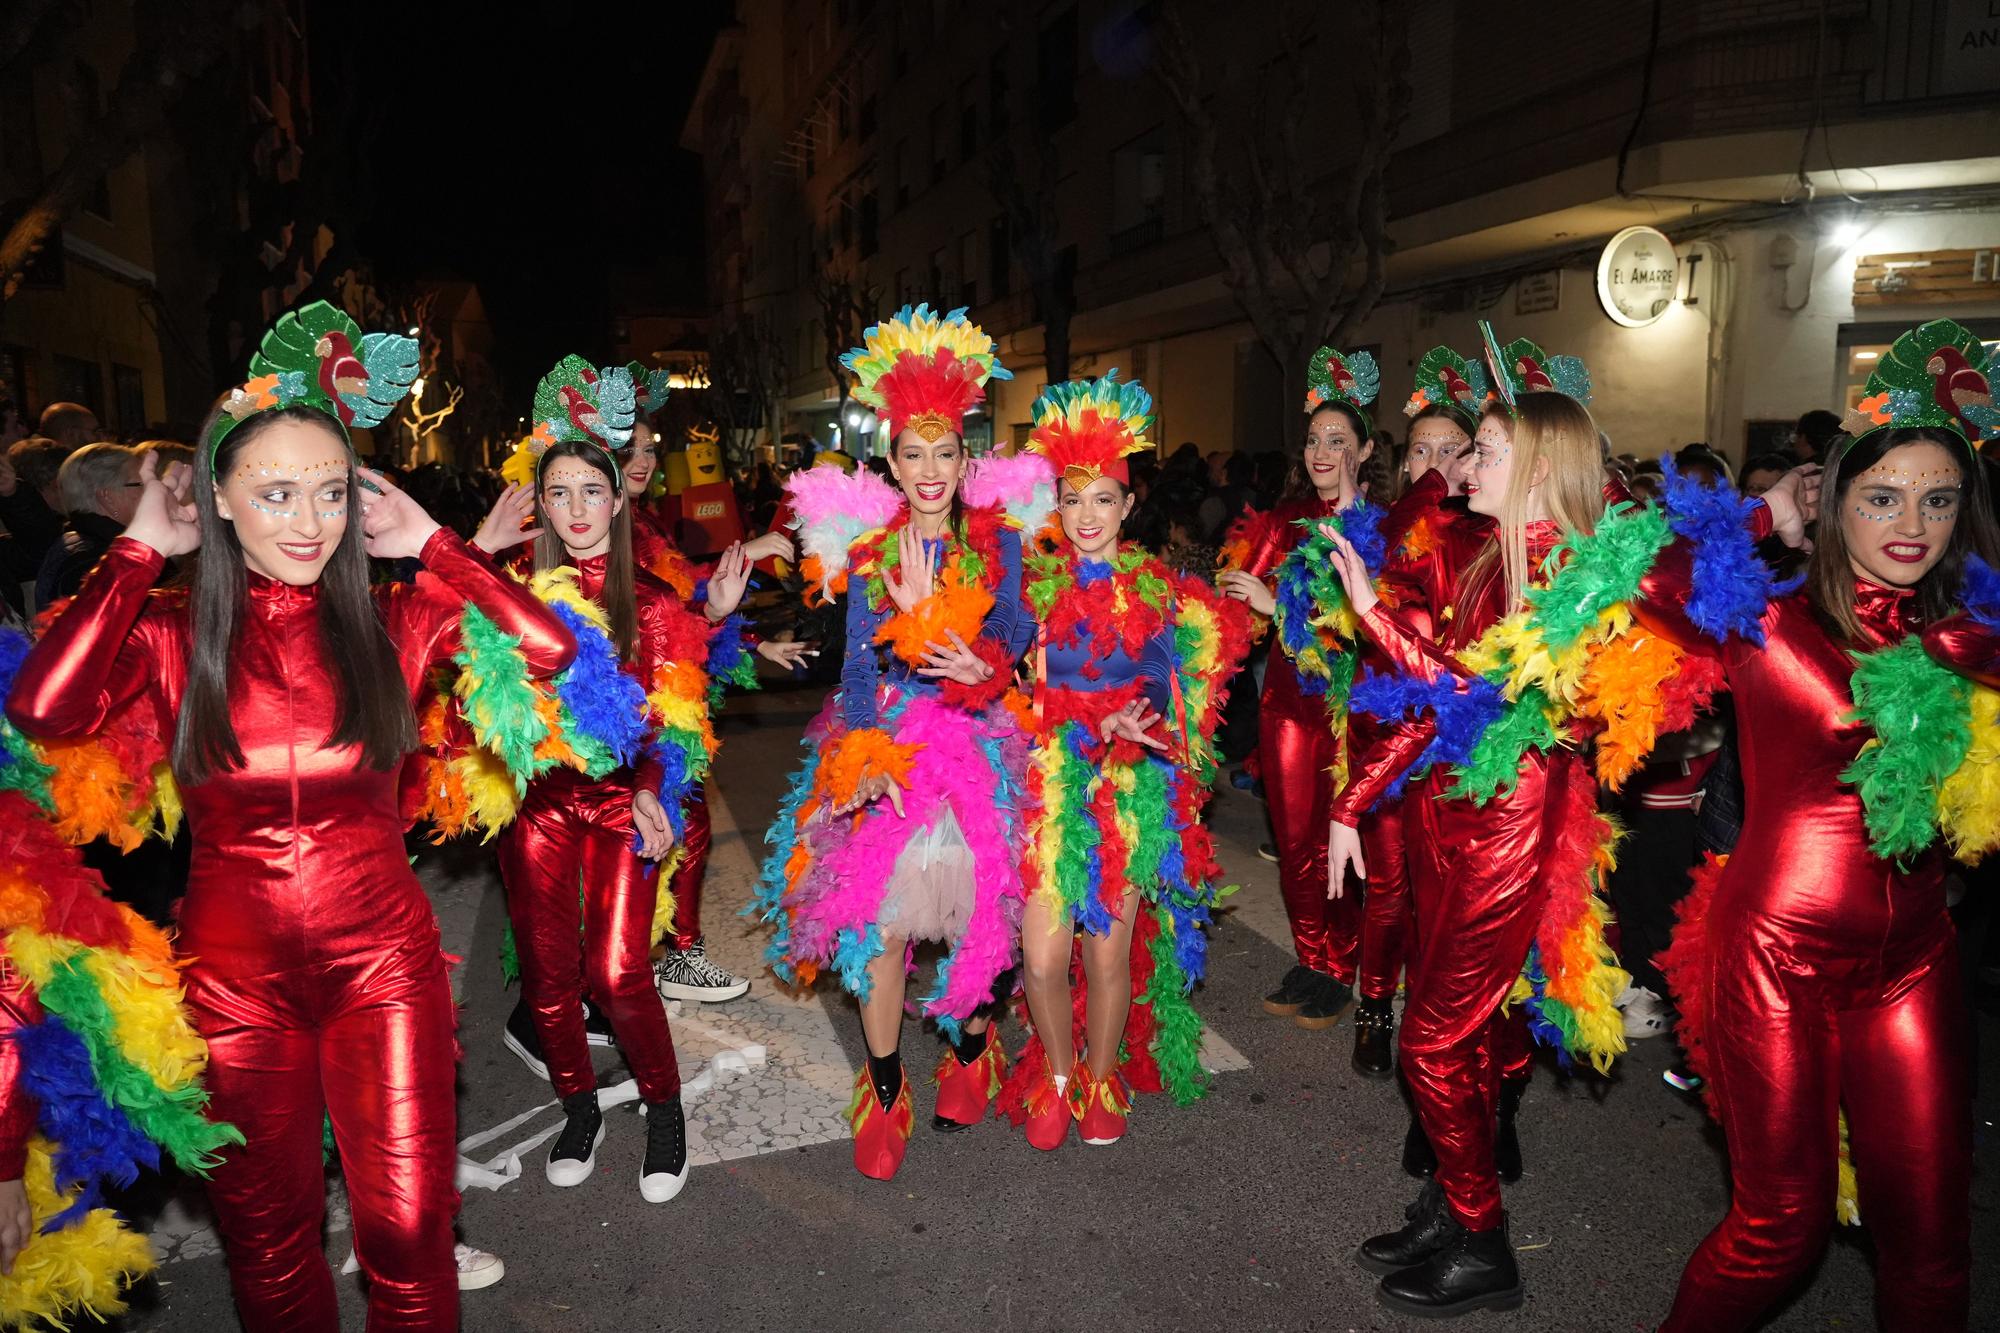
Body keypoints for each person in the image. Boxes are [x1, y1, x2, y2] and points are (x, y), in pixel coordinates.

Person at [5, 301, 574, 1330]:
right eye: (274, 493)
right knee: (269, 1250)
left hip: (384, 969)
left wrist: (438, 545)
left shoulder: (396, 620)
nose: (309, 522)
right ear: (217, 500)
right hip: (234, 987)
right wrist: (134, 553)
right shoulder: (173, 635)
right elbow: (44, 707)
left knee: (406, 1234)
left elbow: (549, 650)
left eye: (327, 493)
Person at [1650, 318, 2000, 1330]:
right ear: (1833, 499)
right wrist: (1764, 512)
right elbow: (1652, 580)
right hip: (1776, 958)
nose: (1911, 523)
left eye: (1936, 499)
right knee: (1778, 1230)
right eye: (1880, 496)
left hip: (1915, 959)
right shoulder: (1769, 621)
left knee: (1931, 1243)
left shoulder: (1968, 638)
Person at [1323, 330, 1651, 1317]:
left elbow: (1486, 692)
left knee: (1428, 1039)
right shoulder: (1487, 562)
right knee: (1468, 1030)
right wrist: (1351, 804)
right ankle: (1448, 1207)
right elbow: (1434, 717)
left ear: (1540, 468)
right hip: (1440, 824)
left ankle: (1483, 1241)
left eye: (1486, 450)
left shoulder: (1578, 583)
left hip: (1504, 837)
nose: (1464, 464)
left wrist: (1367, 614)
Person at [752, 303, 1035, 1180]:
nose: (929, 471)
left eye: (944, 452)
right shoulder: (873, 552)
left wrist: (972, 655)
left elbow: (1019, 633)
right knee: (873, 925)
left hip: (982, 734)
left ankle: (973, 1046)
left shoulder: (997, 545)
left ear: (964, 455)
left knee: (988, 914)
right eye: (912, 454)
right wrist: (863, 759)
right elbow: (858, 675)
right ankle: (883, 1088)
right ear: (892, 460)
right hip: (893, 737)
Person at [480, 356, 755, 1202]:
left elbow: (674, 722)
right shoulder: (513, 595)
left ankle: (664, 1110)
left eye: (589, 490)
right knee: (549, 974)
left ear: (618, 497)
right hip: (537, 810)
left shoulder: (661, 606)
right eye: (556, 492)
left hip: (620, 806)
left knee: (617, 970)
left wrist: (650, 789)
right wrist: (480, 557)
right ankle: (579, 1107)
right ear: (541, 505)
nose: (575, 508)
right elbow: (443, 670)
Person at [996, 372, 1249, 1150]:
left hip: (1128, 791)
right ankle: (1059, 1071)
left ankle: (1100, 1080)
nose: (1085, 516)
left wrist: (1157, 741)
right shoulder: (1031, 590)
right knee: (1041, 958)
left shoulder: (1159, 595)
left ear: (1128, 503)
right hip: (1050, 786)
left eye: (1102, 498)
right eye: (1071, 498)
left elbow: (1185, 716)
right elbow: (1002, 694)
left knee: (1107, 958)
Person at [1217, 345, 1380, 1032]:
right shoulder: (1282, 521)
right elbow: (1231, 609)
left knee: (1341, 836)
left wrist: (1275, 601)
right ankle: (1311, 955)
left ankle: (1343, 965)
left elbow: (1371, 624)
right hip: (1287, 707)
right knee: (1292, 838)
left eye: (1337, 440)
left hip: (1352, 710)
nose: (1321, 451)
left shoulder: (1381, 528)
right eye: (1314, 439)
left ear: (1365, 451)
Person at [1348, 346, 1485, 1079]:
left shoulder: (1486, 540)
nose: (1436, 464)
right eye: (1422, 451)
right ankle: (1374, 1002)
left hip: (1463, 740)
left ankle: (1447, 1034)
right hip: (1389, 729)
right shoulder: (1383, 528)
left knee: (1447, 898)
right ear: (1404, 467)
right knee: (1389, 883)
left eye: (1452, 449)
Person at [36, 442, 145, 605]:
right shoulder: (93, 562)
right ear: (108, 497)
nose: (153, 491)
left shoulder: (84, 544)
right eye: (141, 484)